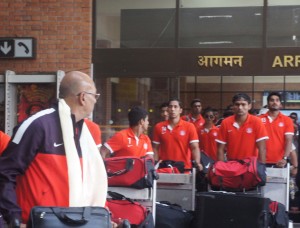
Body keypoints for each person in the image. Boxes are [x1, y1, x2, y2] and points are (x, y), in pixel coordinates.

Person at [0, 71, 108, 226]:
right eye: (95, 96)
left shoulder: (83, 133)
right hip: (38, 222)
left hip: (77, 221)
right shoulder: (38, 125)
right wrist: (13, 217)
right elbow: (5, 172)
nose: (95, 100)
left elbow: (90, 181)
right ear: (83, 97)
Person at [152, 98, 203, 171]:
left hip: (184, 168)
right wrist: (155, 163)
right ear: (168, 110)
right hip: (164, 168)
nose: (172, 109)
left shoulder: (189, 126)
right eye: (170, 107)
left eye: (175, 107)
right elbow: (155, 148)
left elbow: (194, 147)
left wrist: (197, 163)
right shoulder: (159, 127)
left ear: (180, 110)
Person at [216, 93, 268, 162]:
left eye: (243, 104)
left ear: (249, 106)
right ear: (233, 106)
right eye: (237, 104)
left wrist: (261, 167)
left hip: (250, 165)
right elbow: (220, 148)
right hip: (231, 164)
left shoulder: (257, 122)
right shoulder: (226, 122)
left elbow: (262, 148)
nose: (240, 107)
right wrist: (221, 167)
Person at [259, 92, 294, 167]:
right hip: (260, 161)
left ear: (280, 104)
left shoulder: (287, 120)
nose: (274, 102)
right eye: (272, 100)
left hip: (280, 162)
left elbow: (289, 140)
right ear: (268, 104)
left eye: (277, 100)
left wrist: (285, 158)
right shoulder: (258, 119)